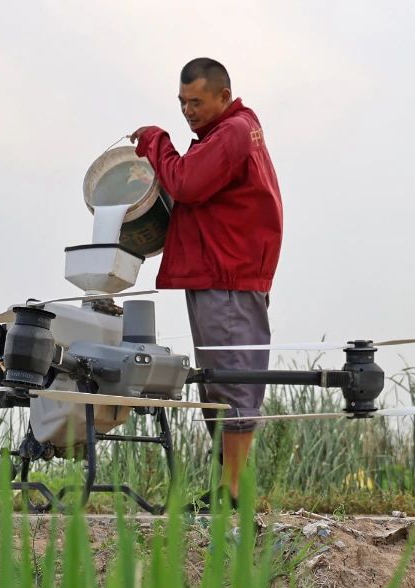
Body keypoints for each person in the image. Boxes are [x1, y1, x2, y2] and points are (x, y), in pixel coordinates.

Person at [130, 57, 283, 509]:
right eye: (182, 102)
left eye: (196, 102)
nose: (187, 111)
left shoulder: (233, 132)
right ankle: (227, 486)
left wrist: (156, 141)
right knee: (218, 380)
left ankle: (233, 491)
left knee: (233, 377)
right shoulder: (230, 132)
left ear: (223, 95)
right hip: (219, 270)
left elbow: (187, 183)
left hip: (228, 274)